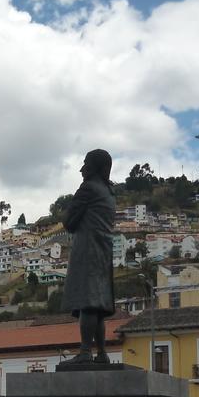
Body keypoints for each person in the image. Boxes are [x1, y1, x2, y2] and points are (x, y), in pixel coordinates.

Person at [60, 149, 117, 365]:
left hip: (88, 249)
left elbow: (69, 221)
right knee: (99, 306)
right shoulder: (109, 192)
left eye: (85, 164)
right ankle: (101, 353)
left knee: (87, 302)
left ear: (93, 167)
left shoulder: (88, 188)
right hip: (104, 251)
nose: (81, 169)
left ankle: (85, 352)